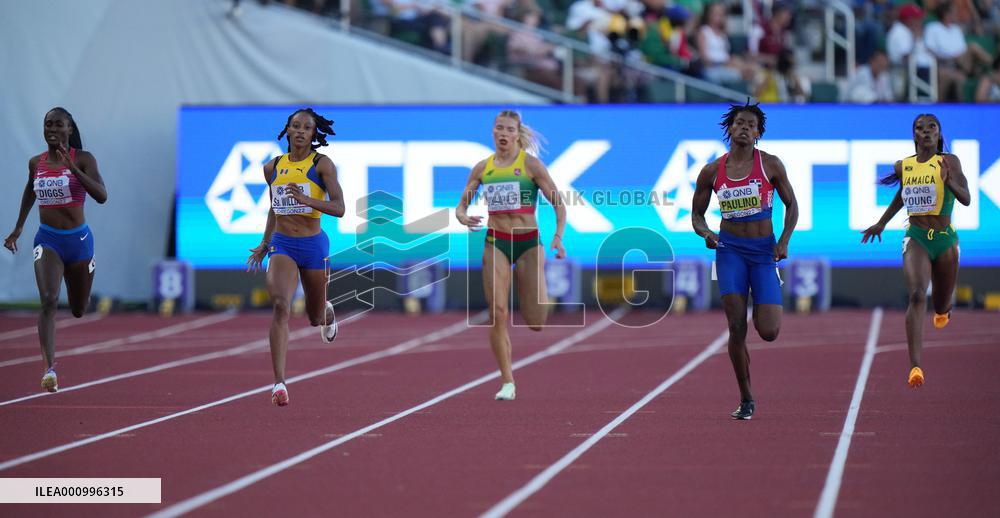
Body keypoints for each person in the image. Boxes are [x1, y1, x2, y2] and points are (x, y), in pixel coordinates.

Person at [691, 101, 798, 420]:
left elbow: (792, 207)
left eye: (751, 125)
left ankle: (765, 297)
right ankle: (747, 397)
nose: (744, 128)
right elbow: (696, 214)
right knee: (736, 327)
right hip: (730, 252)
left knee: (768, 331)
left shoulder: (771, 165)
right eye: (739, 123)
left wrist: (783, 241)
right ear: (730, 128)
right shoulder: (712, 171)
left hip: (764, 253)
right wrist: (706, 233)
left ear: (759, 133)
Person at [455, 110, 565, 401]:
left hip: (528, 242)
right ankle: (507, 382)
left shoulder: (530, 165)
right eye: (499, 128)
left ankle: (538, 289)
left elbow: (559, 204)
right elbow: (461, 205)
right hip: (496, 241)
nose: (503, 133)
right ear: (493, 132)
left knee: (536, 322)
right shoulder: (482, 168)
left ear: (517, 134)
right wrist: (462, 216)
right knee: (497, 313)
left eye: (509, 129)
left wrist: (557, 236)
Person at [861, 114, 970, 388]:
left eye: (931, 127)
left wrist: (948, 182)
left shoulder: (949, 162)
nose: (926, 132)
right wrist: (881, 223)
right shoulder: (904, 166)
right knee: (918, 295)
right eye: (920, 129)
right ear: (914, 136)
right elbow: (902, 195)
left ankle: (943, 310)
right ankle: (915, 366)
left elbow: (966, 199)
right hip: (917, 237)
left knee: (941, 304)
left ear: (939, 133)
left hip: (945, 239)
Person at [3, 107, 108, 393]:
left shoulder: (84, 159)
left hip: (79, 242)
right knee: (49, 300)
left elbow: (102, 196)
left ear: (69, 129)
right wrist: (19, 227)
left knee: (77, 309)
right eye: (47, 124)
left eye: (57, 124)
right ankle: (49, 369)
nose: (51, 129)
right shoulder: (35, 162)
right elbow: (30, 190)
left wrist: (73, 170)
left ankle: (87, 271)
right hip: (47, 240)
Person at [246, 108, 345, 407]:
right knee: (280, 305)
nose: (301, 131)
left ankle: (326, 312)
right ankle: (279, 383)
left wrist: (306, 200)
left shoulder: (322, 165)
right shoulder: (272, 168)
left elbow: (339, 207)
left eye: (307, 127)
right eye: (296, 126)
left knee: (314, 318)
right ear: (287, 131)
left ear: (314, 133)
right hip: (283, 245)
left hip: (313, 245)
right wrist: (265, 243)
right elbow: (274, 208)